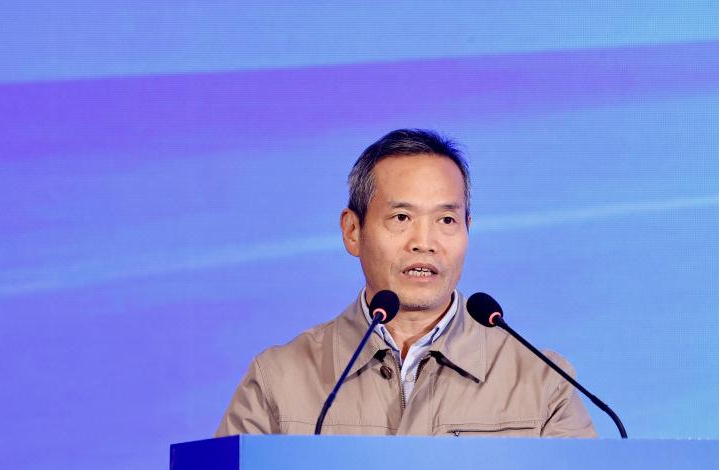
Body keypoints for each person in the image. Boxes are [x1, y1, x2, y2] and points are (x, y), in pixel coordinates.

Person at [215, 129, 596, 437]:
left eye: (446, 220)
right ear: (352, 231)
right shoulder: (279, 378)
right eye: (401, 218)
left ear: (468, 229)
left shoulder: (542, 381)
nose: (424, 242)